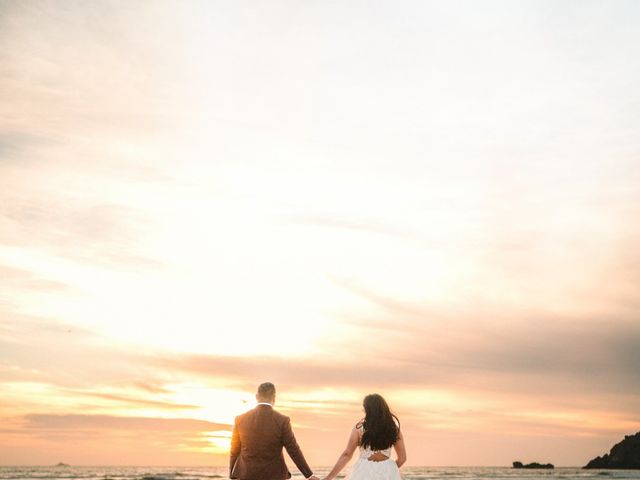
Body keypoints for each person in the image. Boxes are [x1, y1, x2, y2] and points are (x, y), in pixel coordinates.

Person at [229, 382, 319, 480]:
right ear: (274, 398)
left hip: (246, 475)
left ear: (256, 397)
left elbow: (234, 450)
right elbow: (293, 450)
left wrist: (232, 474)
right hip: (274, 476)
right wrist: (308, 475)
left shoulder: (240, 419)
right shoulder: (282, 420)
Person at [322, 393, 406, 480]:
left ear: (368, 409)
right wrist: (389, 469)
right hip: (388, 471)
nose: (363, 410)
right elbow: (402, 458)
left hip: (363, 471)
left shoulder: (359, 428)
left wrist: (328, 478)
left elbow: (347, 454)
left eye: (364, 408)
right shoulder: (394, 429)